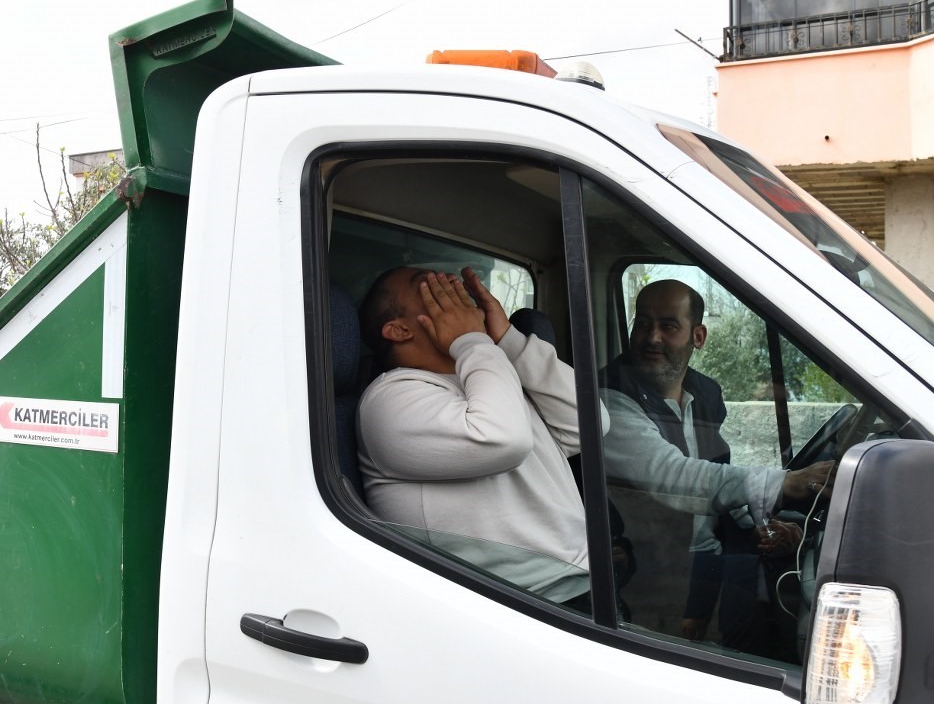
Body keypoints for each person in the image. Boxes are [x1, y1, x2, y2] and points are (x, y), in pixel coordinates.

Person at [599, 280, 832, 652]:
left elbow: (716, 474)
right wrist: (784, 482)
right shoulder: (608, 399)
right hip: (653, 567)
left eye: (668, 326)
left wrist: (762, 524)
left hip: (708, 557)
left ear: (699, 336)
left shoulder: (705, 395)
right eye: (642, 324)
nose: (651, 337)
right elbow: (673, 477)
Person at [355, 267, 592, 608]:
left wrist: (506, 340)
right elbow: (504, 439)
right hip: (516, 604)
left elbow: (588, 426)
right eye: (428, 285)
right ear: (399, 330)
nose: (449, 283)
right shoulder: (391, 400)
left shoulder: (485, 375)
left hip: (577, 582)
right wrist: (472, 341)